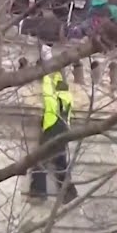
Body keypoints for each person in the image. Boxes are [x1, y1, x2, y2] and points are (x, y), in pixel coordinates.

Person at [26, 43, 79, 205]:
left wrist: (47, 60)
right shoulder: (66, 97)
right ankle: (67, 192)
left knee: (40, 160)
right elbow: (60, 82)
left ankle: (38, 192)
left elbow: (48, 83)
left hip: (51, 129)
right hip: (64, 131)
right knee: (60, 161)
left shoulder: (50, 98)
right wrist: (56, 69)